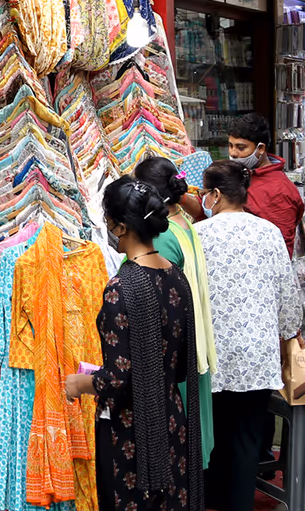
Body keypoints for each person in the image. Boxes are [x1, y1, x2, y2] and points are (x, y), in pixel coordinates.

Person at [65, 176, 204, 511]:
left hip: (131, 428)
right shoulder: (175, 276)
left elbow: (117, 379)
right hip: (172, 418)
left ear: (120, 227)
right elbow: (183, 360)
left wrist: (80, 383)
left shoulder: (121, 287)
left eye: (108, 222)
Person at [195, 160, 303, 511]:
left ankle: (213, 497)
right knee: (247, 438)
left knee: (215, 435)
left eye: (204, 192)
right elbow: (287, 296)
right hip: (257, 355)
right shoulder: (268, 232)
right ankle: (239, 503)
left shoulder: (200, 235)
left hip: (215, 353)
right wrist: (289, 337)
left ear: (214, 194)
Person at [135, 157, 216, 468]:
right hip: (192, 343)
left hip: (173, 351)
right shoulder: (183, 222)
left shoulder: (164, 236)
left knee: (175, 445)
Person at [226, 113, 305, 256]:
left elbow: (280, 247)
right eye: (230, 146)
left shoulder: (280, 191)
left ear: (260, 149)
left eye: (241, 147)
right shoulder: (238, 174)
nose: (233, 153)